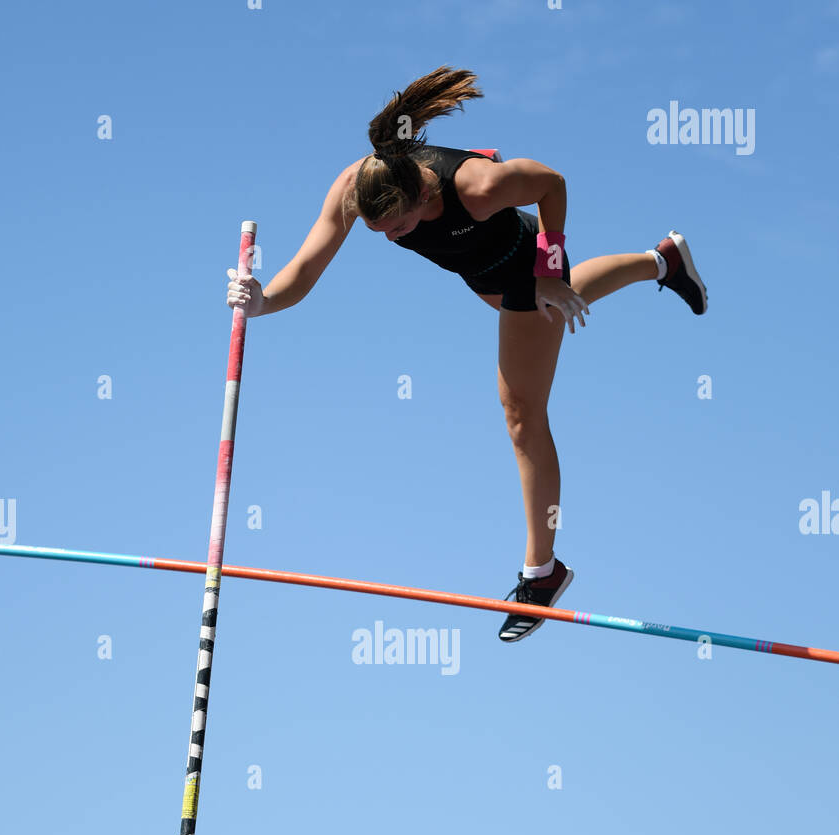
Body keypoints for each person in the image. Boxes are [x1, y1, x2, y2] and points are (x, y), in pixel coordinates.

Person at [227, 67, 707, 642]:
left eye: (399, 228)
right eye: (381, 232)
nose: (392, 239)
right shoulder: (360, 187)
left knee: (522, 413)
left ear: (425, 194)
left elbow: (552, 181)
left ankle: (542, 573)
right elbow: (307, 268)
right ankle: (664, 260)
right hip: (486, 278)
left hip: (521, 264)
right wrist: (262, 301)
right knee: (552, 304)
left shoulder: (476, 187)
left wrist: (547, 270)